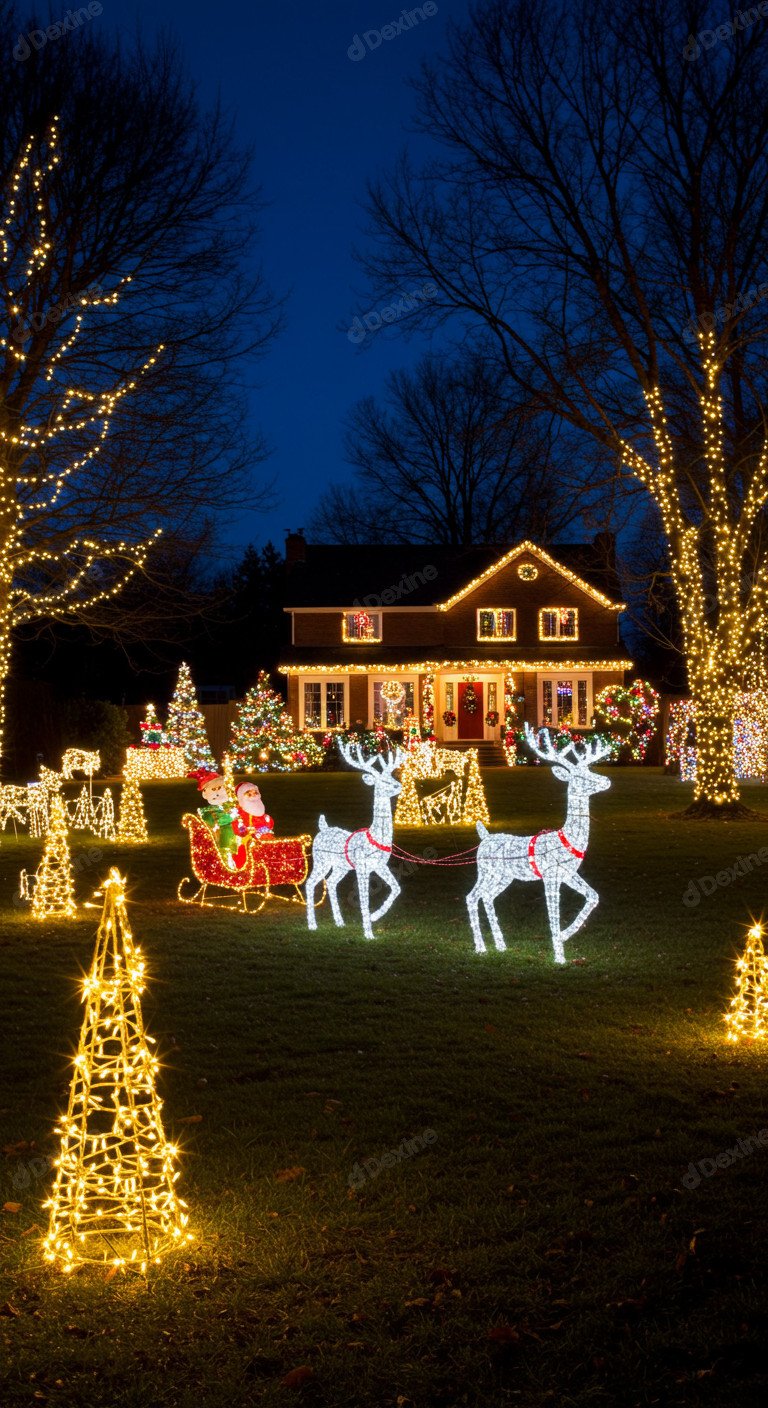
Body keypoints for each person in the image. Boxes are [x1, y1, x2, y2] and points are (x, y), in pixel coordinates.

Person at [188, 769, 239, 870]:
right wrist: (231, 817)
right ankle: (228, 867)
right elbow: (216, 822)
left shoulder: (232, 806)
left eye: (220, 787)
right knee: (226, 853)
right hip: (223, 841)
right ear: (205, 794)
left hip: (239, 837)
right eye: (213, 789)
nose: (217, 792)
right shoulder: (208, 812)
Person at [233, 780, 274, 867]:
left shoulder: (259, 809)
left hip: (263, 835)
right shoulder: (240, 812)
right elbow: (237, 827)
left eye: (255, 792)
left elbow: (268, 823)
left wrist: (267, 822)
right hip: (247, 838)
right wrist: (245, 830)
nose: (254, 795)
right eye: (249, 794)